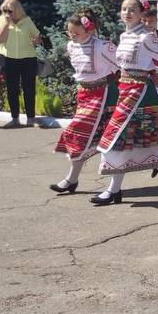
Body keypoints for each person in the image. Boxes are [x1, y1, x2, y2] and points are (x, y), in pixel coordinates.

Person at [94, 0, 158, 205]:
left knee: (116, 138)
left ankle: (113, 190)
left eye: (132, 10)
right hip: (126, 90)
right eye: (124, 9)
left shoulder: (146, 37)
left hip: (141, 93)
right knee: (142, 139)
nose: (127, 13)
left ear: (141, 13)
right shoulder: (124, 35)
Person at [49, 13, 118, 195]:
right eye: (69, 32)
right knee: (80, 137)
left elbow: (122, 63)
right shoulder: (71, 46)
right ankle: (71, 180)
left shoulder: (102, 46)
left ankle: (114, 186)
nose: (72, 35)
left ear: (89, 30)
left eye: (76, 32)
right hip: (85, 95)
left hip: (104, 95)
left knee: (105, 139)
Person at [0, 0, 41, 128]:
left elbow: (37, 37)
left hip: (28, 58)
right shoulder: (1, 20)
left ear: (17, 10)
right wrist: (6, 24)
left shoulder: (27, 21)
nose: (7, 13)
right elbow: (0, 39)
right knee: (12, 89)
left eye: (9, 10)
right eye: (4, 10)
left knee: (29, 89)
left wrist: (36, 40)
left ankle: (30, 119)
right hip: (9, 58)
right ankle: (15, 119)